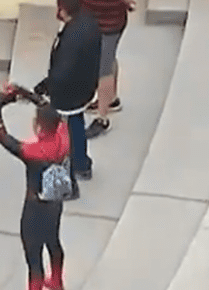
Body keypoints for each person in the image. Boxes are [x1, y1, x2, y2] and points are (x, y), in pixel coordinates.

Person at [0, 84, 70, 290]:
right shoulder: (63, 137)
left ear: (37, 127)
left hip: (34, 208)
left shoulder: (33, 151)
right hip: (54, 202)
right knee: (53, 240)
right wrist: (26, 94)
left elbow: (1, 135)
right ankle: (56, 280)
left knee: (33, 256)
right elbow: (50, 110)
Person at [34, 0, 101, 197]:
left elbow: (62, 71)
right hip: (84, 87)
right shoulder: (88, 22)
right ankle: (82, 163)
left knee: (62, 139)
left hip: (67, 93)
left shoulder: (72, 38)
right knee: (76, 125)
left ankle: (68, 183)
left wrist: (48, 86)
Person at [84, 0, 136, 138]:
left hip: (109, 23)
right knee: (108, 58)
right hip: (96, 18)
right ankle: (111, 99)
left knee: (104, 69)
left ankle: (102, 119)